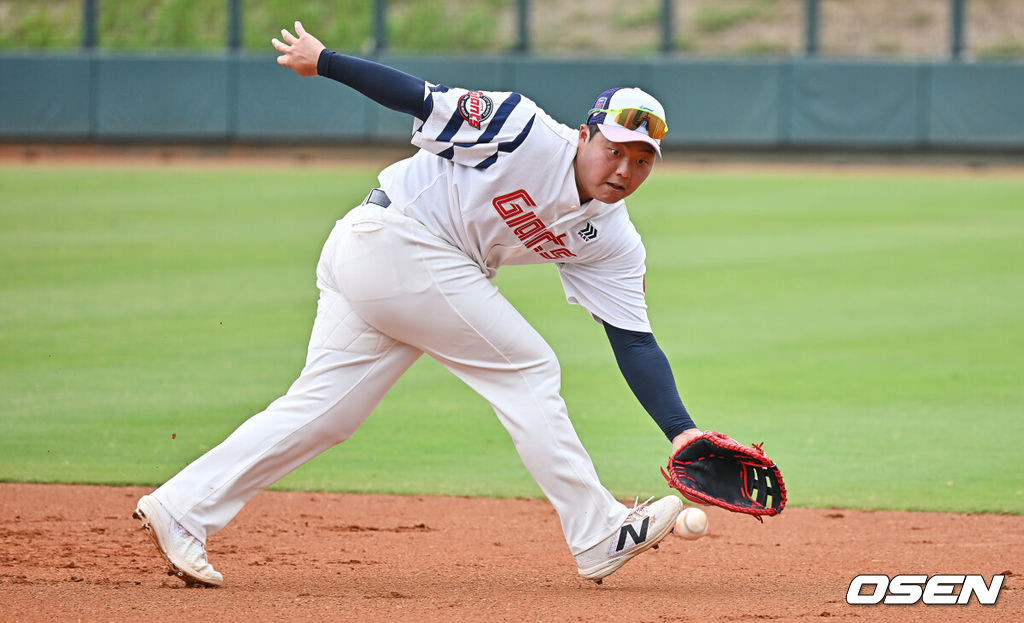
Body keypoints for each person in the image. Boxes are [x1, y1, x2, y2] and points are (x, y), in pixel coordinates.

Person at [133, 21, 702, 587]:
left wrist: (682, 432)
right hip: (396, 238)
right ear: (585, 135)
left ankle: (183, 507)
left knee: (326, 413)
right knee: (529, 367)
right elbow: (421, 97)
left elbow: (631, 339)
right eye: (614, 151)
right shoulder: (523, 130)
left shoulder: (614, 239)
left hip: (399, 266)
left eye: (642, 160)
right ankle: (598, 530)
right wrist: (326, 60)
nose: (625, 170)